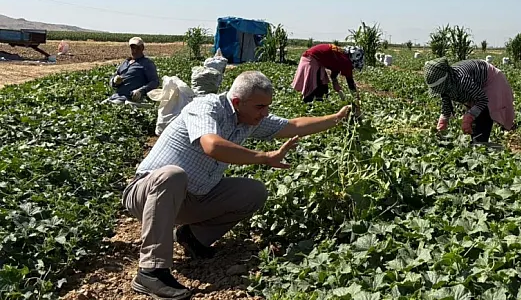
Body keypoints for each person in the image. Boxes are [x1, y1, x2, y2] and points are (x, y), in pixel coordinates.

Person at [122, 71, 352, 299]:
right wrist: (264, 156)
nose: (265, 113)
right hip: (148, 193)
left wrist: (336, 118)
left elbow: (293, 125)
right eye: (260, 107)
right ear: (237, 102)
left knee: (253, 192)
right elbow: (213, 146)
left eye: (267, 106)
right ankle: (151, 271)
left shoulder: (248, 119)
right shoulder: (205, 107)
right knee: (173, 175)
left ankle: (193, 237)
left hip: (191, 199)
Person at [423, 57, 516, 144]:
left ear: (446, 81)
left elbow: (482, 100)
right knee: (475, 122)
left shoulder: (462, 80)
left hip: (490, 80)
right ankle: (476, 144)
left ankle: (480, 145)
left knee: (483, 115)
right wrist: (443, 121)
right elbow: (446, 102)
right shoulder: (447, 84)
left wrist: (469, 117)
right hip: (476, 84)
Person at [292, 43, 364, 104]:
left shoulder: (341, 55)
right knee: (313, 87)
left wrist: (334, 82)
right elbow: (350, 81)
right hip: (311, 60)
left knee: (323, 87)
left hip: (315, 59)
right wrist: (356, 98)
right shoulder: (345, 61)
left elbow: (336, 68)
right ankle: (308, 107)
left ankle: (318, 104)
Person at [107, 37, 160, 103]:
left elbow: (155, 82)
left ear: (142, 48)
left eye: (138, 48)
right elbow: (113, 77)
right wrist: (114, 81)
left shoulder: (147, 63)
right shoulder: (125, 62)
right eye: (133, 48)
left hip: (128, 99)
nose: (135, 51)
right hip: (116, 96)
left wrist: (141, 91)